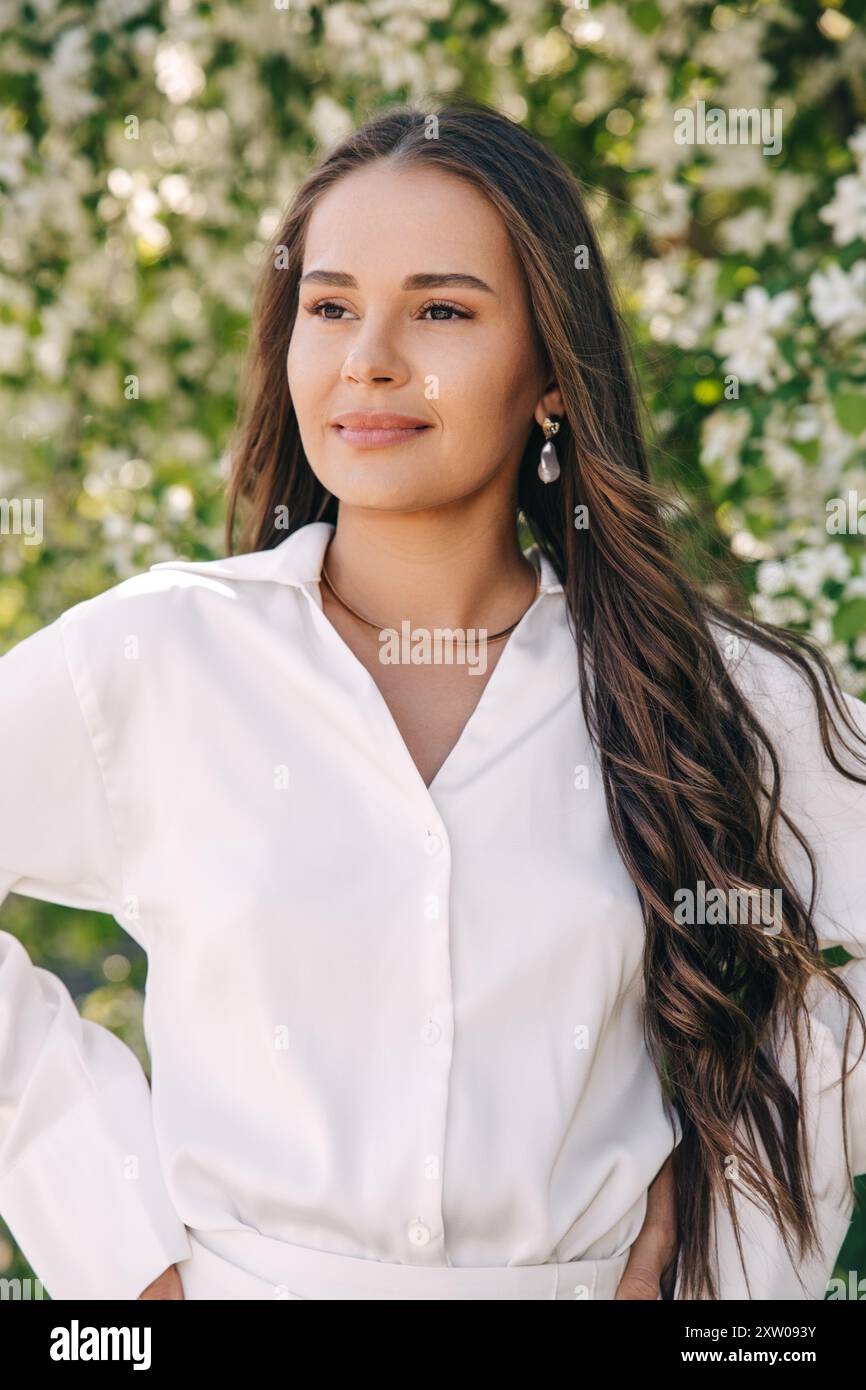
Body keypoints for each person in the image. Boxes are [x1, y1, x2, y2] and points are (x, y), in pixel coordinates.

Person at [1, 100, 864, 1302]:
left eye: (443, 309)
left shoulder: (702, 687)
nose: (369, 357)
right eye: (331, 305)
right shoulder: (163, 653)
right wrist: (121, 1255)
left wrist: (729, 1255)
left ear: (552, 376)